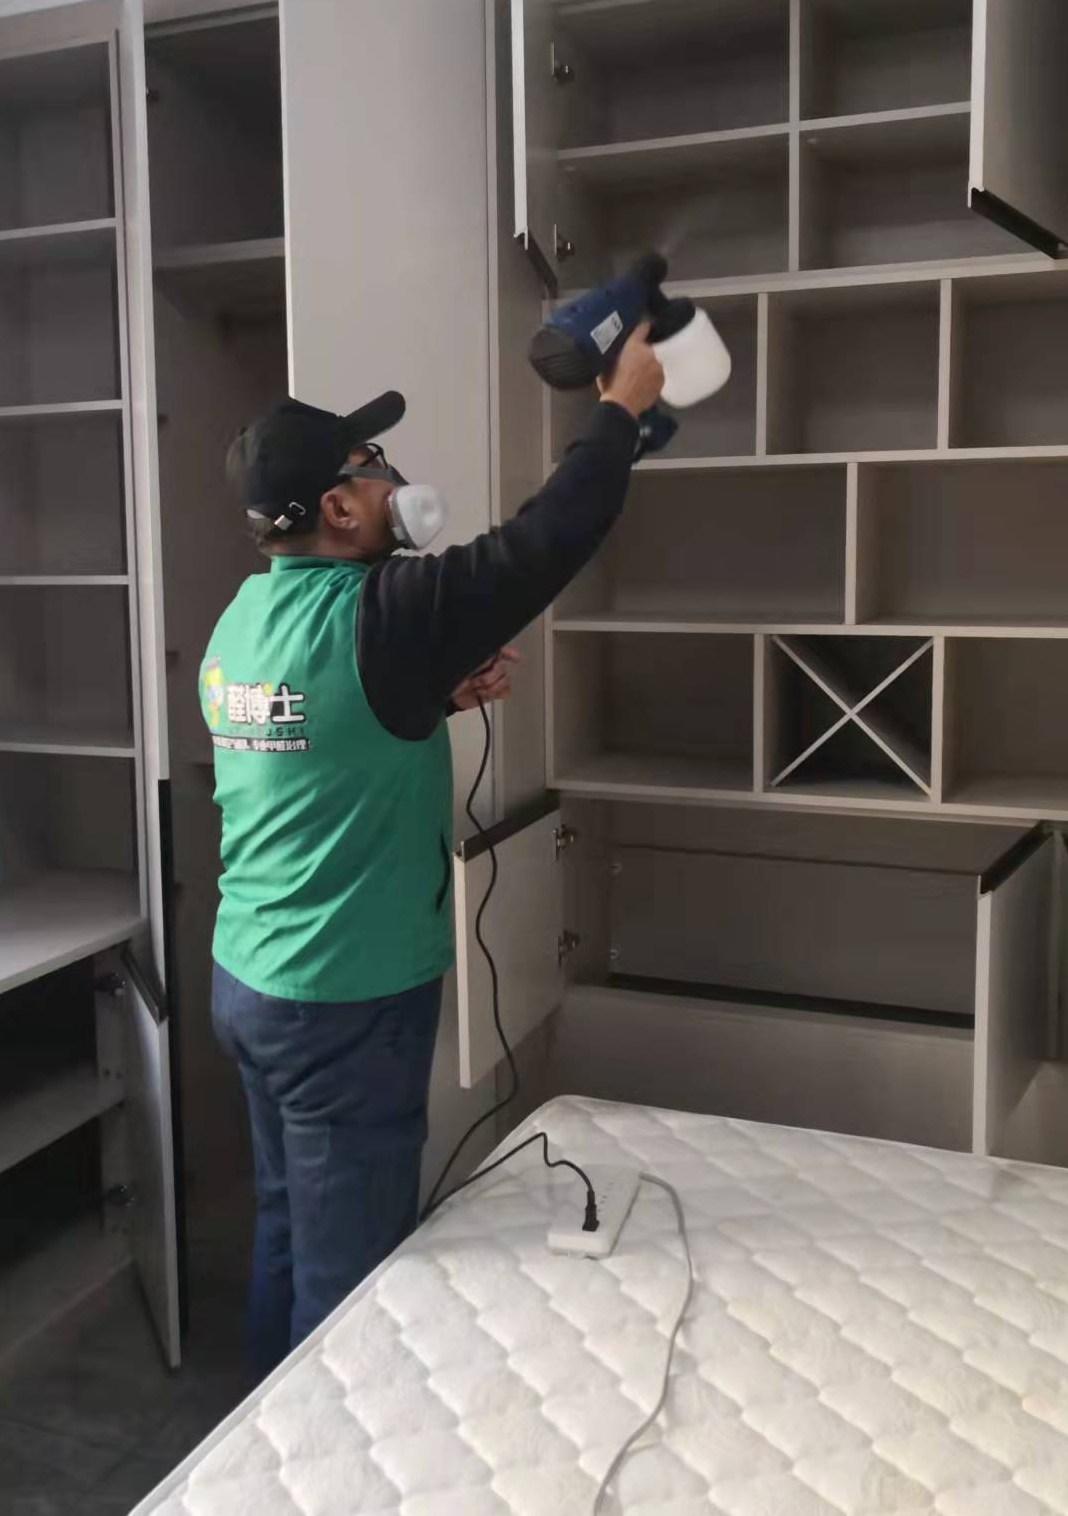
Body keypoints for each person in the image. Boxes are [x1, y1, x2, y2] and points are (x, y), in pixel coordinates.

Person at [203, 325, 665, 1376]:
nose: (391, 478)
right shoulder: (385, 609)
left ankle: (253, 1424)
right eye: (371, 465)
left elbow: (310, 749)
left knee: (285, 1223)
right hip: (343, 1003)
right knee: (350, 1275)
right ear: (339, 508)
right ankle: (325, 1446)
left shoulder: (243, 619)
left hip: (250, 980)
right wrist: (620, 410)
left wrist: (431, 697)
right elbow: (549, 538)